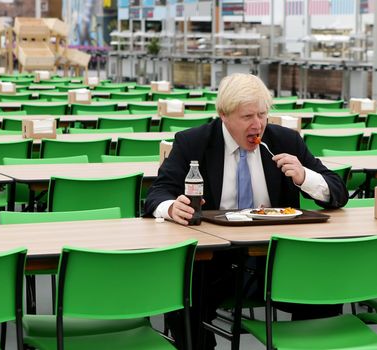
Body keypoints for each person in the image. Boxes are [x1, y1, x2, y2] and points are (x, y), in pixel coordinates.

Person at [145, 73, 349, 349]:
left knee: (324, 283)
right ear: (223, 115)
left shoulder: (285, 141)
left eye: (262, 115)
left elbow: (338, 191)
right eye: (247, 117)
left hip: (275, 259)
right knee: (183, 292)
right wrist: (172, 208)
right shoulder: (194, 142)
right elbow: (157, 194)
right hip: (215, 261)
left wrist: (304, 177)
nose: (258, 125)